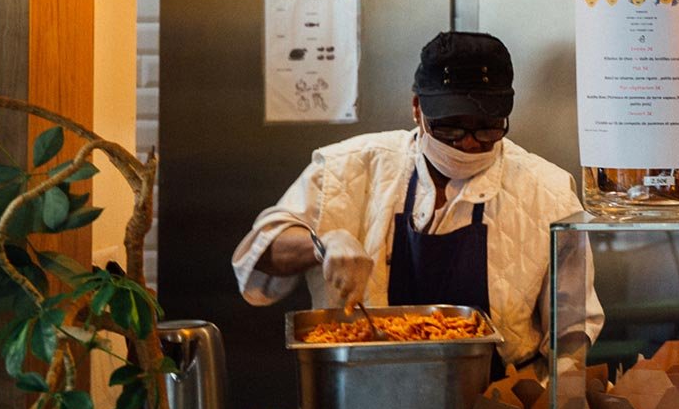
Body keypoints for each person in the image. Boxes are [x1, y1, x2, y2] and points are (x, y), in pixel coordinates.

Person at [231, 32, 604, 377]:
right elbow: (258, 254)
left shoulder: (548, 190)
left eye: (487, 127)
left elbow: (572, 327)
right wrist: (324, 242)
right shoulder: (349, 168)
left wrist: (551, 403)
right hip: (367, 394)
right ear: (416, 109)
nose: (469, 143)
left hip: (500, 401)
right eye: (450, 126)